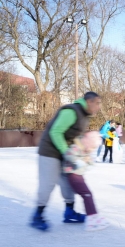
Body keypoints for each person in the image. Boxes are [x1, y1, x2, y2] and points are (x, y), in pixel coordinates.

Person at [30, 91, 101, 231]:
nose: (99, 107)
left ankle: (69, 212)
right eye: (97, 103)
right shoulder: (71, 111)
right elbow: (55, 132)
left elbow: (74, 137)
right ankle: (37, 215)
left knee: (68, 183)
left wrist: (83, 153)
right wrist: (67, 153)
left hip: (65, 153)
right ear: (89, 102)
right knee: (48, 183)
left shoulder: (85, 116)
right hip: (49, 151)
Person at [62, 131, 110, 231]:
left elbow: (89, 161)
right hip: (73, 175)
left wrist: (88, 161)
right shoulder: (76, 147)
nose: (92, 150)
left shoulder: (85, 150)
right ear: (88, 143)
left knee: (88, 194)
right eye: (92, 147)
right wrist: (77, 161)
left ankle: (93, 216)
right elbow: (68, 154)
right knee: (87, 194)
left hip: (79, 175)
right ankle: (92, 218)